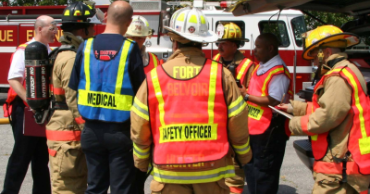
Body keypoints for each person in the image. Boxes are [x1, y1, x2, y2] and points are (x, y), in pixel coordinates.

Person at [131, 7, 252, 194]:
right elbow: (238, 119)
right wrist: (244, 157)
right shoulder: (221, 75)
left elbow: (140, 123)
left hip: (169, 173)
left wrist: (141, 161)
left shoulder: (154, 77)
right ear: (202, 41)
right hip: (211, 171)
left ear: (174, 39)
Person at [278, 25, 370, 194]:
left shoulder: (337, 77)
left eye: (314, 56)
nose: (313, 62)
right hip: (345, 159)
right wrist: (295, 108)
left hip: (338, 162)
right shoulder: (348, 70)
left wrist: (292, 124)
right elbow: (332, 108)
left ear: (326, 53)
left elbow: (326, 117)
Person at [68, 1, 146, 194]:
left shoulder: (85, 47)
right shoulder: (130, 49)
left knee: (94, 188)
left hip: (91, 131)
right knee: (121, 189)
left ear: (105, 18)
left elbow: (74, 87)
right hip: (120, 132)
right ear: (128, 22)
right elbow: (141, 93)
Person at [46, 2, 102, 193]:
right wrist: (91, 134)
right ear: (83, 28)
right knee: (68, 189)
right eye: (92, 27)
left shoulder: (67, 54)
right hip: (68, 139)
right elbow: (75, 101)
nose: (94, 31)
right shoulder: (70, 58)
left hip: (69, 138)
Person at [2, 15, 56, 194]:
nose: (55, 31)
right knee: (21, 156)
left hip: (42, 110)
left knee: (41, 159)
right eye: (52, 28)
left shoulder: (49, 51)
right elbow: (14, 79)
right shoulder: (24, 51)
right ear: (40, 29)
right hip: (25, 110)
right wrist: (32, 103)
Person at [241, 33, 292, 194]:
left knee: (264, 174)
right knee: (252, 170)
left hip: (270, 131)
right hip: (255, 128)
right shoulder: (262, 66)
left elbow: (274, 100)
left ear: (270, 48)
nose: (254, 51)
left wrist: (246, 96)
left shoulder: (278, 71)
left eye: (258, 47)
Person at [213, 22, 255, 194]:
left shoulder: (247, 65)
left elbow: (253, 95)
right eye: (218, 43)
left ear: (235, 45)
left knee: (236, 168)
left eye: (223, 43)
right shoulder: (215, 61)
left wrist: (244, 93)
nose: (219, 46)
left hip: (236, 121)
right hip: (216, 121)